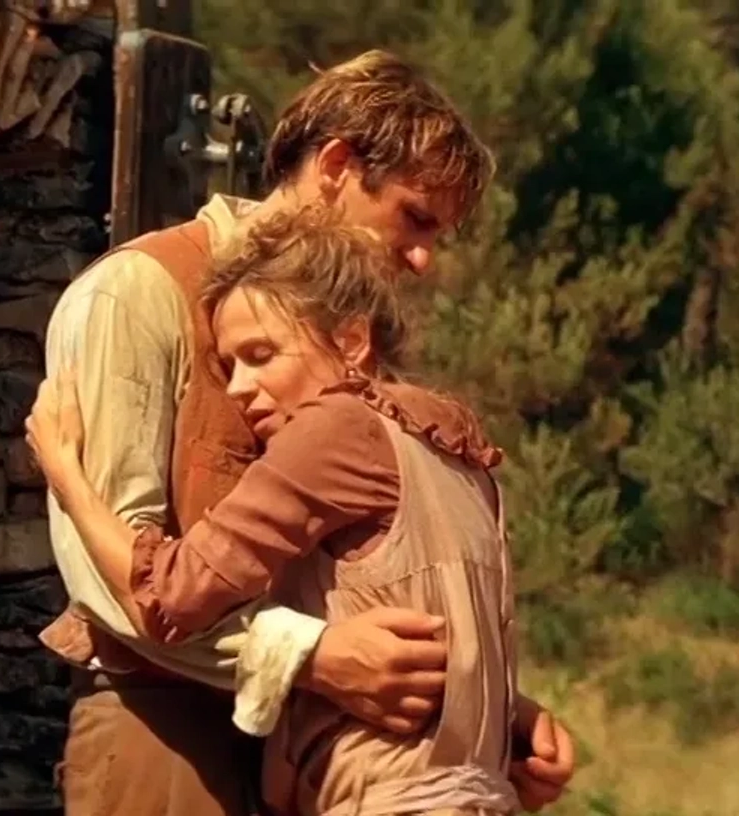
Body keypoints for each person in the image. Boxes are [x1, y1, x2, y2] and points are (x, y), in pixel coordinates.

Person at [37, 49, 574, 816]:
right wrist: (310, 657)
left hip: (327, 766)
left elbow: (380, 573)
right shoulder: (141, 291)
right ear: (335, 165)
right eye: (415, 218)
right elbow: (114, 578)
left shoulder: (350, 339)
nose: (421, 259)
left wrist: (493, 710)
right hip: (173, 738)